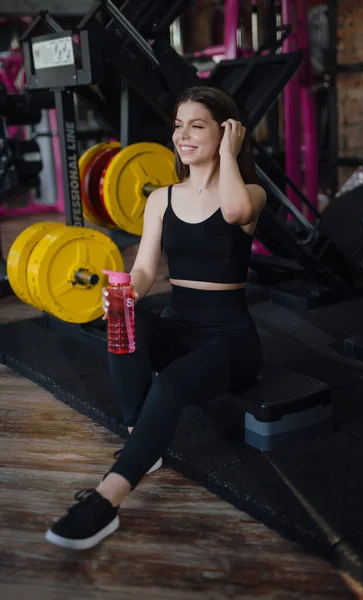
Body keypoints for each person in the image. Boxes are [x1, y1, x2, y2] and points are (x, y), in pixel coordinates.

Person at [45, 85, 267, 550]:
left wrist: (229, 153)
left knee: (167, 387)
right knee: (126, 318)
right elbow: (145, 268)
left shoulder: (250, 192)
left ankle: (106, 500)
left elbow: (234, 211)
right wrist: (125, 294)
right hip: (179, 324)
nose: (182, 135)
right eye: (178, 124)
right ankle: (138, 440)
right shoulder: (162, 199)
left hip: (231, 340)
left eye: (197, 125)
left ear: (226, 132)